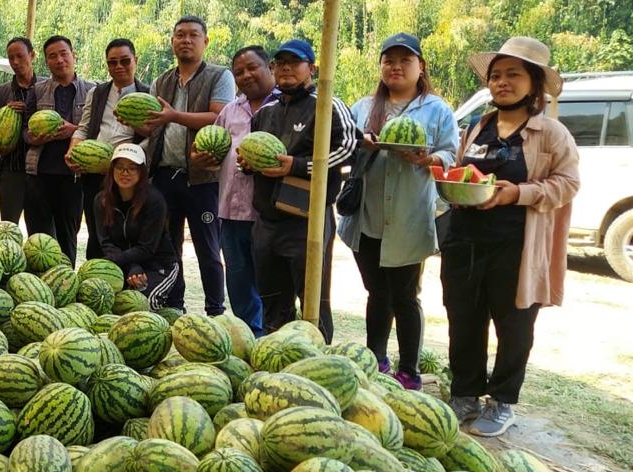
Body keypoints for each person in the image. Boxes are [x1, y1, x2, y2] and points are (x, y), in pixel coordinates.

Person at [442, 37, 579, 436]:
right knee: (463, 319)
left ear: (534, 83)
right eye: (496, 76)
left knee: (514, 326)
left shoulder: (550, 133)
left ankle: (502, 401)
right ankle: (464, 392)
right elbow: (461, 173)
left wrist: (518, 193)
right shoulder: (477, 127)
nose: (502, 82)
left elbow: (568, 183)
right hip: (464, 239)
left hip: (517, 246)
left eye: (513, 75)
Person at [338, 33, 459, 389]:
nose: (396, 67)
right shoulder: (363, 107)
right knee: (377, 294)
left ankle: (409, 370)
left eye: (405, 60)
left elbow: (451, 155)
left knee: (405, 297)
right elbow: (344, 146)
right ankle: (376, 360)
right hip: (367, 217)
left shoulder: (437, 110)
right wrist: (362, 145)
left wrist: (427, 159)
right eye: (389, 60)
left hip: (409, 218)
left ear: (421, 67)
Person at [245, 39, 358, 341]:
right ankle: (274, 355)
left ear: (312, 68)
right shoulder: (265, 112)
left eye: (294, 62)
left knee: (313, 306)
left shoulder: (327, 105)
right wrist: (248, 163)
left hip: (307, 223)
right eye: (280, 63)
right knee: (272, 304)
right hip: (267, 223)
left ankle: (318, 357)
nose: (286, 68)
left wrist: (296, 166)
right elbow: (252, 152)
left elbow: (349, 149)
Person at [136, 15, 235, 313]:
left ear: (206, 41)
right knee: (169, 247)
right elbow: (152, 126)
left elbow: (219, 117)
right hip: (165, 177)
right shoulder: (161, 81)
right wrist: (133, 120)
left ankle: (215, 310)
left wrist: (174, 116)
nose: (186, 40)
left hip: (202, 179)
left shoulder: (219, 76)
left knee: (208, 249)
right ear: (172, 42)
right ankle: (174, 305)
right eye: (180, 35)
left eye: (193, 35)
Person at [193, 45, 280, 334]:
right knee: (239, 284)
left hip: (269, 215)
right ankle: (250, 337)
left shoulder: (285, 106)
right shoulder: (230, 111)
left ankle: (272, 337)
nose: (245, 75)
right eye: (239, 72)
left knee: (270, 284)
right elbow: (211, 148)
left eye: (252, 67)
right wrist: (201, 158)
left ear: (270, 67)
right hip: (230, 212)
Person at [69, 38, 148, 259]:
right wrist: (73, 150)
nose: (118, 67)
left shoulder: (148, 95)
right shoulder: (96, 93)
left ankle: (126, 274)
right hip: (95, 174)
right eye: (112, 62)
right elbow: (84, 128)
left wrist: (127, 157)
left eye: (125, 61)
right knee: (96, 233)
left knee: (125, 232)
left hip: (128, 175)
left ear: (135, 60)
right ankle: (95, 274)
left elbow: (154, 136)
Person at [25, 35, 95, 265]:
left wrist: (74, 131)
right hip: (39, 174)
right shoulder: (37, 91)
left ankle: (64, 280)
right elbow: (25, 131)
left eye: (64, 54)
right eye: (52, 56)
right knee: (39, 241)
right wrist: (33, 137)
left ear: (74, 55)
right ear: (46, 62)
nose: (59, 60)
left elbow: (97, 132)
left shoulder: (92, 91)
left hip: (73, 177)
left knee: (67, 237)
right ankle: (38, 282)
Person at [93, 143, 185, 310]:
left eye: (132, 168)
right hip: (124, 265)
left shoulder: (154, 201)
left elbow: (147, 248)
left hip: (159, 264)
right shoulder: (102, 200)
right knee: (100, 301)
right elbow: (106, 243)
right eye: (120, 167)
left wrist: (130, 265)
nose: (125, 172)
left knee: (143, 306)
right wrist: (132, 266)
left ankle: (174, 306)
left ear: (142, 172)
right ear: (112, 170)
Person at [0, 37, 38, 224]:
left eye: (20, 56)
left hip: (39, 171)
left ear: (32, 55)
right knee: (8, 227)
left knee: (41, 227)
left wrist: (29, 109)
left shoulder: (45, 88)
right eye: (11, 58)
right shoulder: (1, 92)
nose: (15, 62)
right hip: (11, 169)